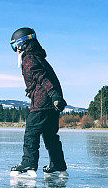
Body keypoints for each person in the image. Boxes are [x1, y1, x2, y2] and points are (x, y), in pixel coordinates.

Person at [9, 27, 68, 176]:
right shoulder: (37, 56)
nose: (15, 50)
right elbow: (39, 79)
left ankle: (29, 163)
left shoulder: (28, 58)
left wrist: (53, 94)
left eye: (15, 46)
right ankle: (58, 164)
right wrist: (33, 90)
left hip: (42, 103)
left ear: (23, 43)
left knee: (31, 133)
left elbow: (43, 78)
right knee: (50, 135)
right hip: (51, 102)